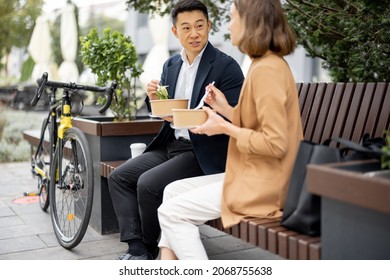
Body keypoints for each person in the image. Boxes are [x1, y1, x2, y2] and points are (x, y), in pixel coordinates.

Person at [157, 0, 304, 260]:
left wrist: (223, 126)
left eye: (233, 18)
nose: (229, 24)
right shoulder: (262, 64)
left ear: (250, 22)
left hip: (268, 183)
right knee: (172, 192)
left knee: (171, 212)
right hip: (255, 174)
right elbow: (255, 123)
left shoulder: (267, 70)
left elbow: (275, 143)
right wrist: (225, 108)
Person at [108, 0, 244, 260]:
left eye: (199, 26)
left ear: (208, 27)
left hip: (202, 151)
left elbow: (239, 114)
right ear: (175, 32)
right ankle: (136, 246)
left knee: (148, 184)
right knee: (120, 177)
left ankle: (148, 250)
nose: (194, 33)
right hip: (171, 144)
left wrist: (206, 113)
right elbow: (164, 108)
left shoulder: (226, 66)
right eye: (186, 28)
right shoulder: (171, 64)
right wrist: (152, 97)